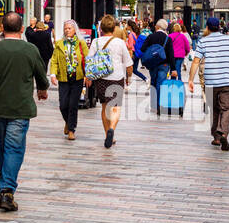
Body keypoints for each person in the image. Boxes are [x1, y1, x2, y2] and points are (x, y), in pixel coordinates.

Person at [0, 13, 49, 211]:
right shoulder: (30, 50)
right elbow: (41, 75)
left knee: (4, 147)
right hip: (20, 108)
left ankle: (4, 185)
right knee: (14, 148)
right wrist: (42, 89)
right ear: (22, 29)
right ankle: (6, 190)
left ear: (2, 28)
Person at [187, 17, 229, 152]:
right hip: (227, 81)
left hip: (211, 81)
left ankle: (216, 137)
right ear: (220, 26)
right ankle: (223, 132)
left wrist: (190, 80)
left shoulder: (203, 41)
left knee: (215, 109)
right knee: (226, 109)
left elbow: (196, 61)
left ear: (207, 27)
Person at [86, 15, 133, 148]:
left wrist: (89, 77)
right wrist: (129, 77)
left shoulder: (96, 42)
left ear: (101, 28)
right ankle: (112, 128)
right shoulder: (120, 43)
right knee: (116, 107)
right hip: (117, 78)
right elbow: (129, 64)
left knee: (105, 107)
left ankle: (107, 134)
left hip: (101, 78)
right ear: (114, 28)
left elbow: (90, 60)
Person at [48, 20, 88, 140]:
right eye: (65, 28)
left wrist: (88, 75)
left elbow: (87, 59)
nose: (67, 30)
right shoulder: (59, 43)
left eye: (69, 28)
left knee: (73, 105)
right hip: (64, 78)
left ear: (75, 30)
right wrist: (53, 75)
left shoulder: (81, 43)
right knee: (63, 105)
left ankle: (71, 130)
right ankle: (67, 121)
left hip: (78, 78)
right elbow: (54, 60)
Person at [141, 19, 172, 112]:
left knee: (153, 83)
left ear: (158, 27)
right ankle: (160, 105)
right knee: (161, 84)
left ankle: (154, 106)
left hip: (153, 64)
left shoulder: (151, 37)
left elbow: (143, 48)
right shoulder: (168, 38)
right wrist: (173, 69)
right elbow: (171, 54)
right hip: (164, 64)